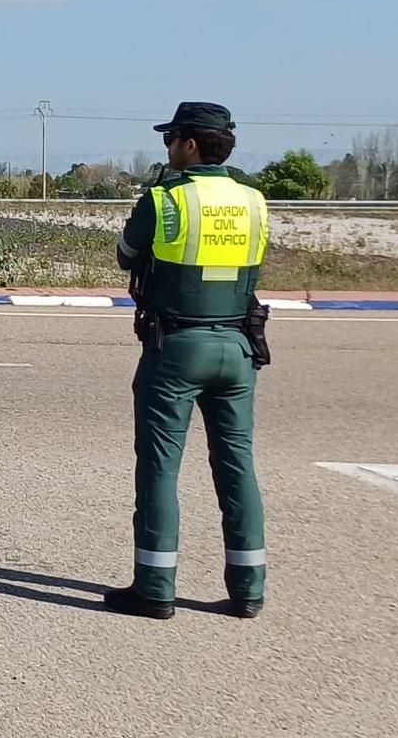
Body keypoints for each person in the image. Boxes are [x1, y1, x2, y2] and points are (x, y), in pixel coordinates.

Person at [105, 102, 271, 621]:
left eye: (171, 139)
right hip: (239, 347)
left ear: (191, 145)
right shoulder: (254, 201)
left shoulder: (164, 200)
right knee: (237, 466)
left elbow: (125, 255)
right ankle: (248, 590)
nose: (168, 148)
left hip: (176, 347)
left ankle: (155, 588)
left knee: (160, 468)